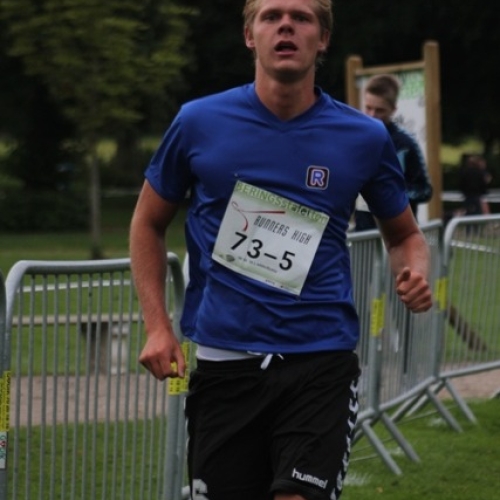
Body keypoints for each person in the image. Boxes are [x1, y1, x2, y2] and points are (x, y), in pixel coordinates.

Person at [129, 1, 433, 499]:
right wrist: (158, 326)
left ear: (323, 38)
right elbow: (147, 222)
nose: (286, 25)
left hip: (320, 358)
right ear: (250, 35)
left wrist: (414, 271)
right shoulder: (198, 121)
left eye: (302, 17)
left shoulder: (363, 136)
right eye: (271, 16)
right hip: (226, 360)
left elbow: (403, 234)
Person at [354, 73, 433, 231]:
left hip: (399, 235)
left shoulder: (405, 144)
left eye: (380, 110)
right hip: (364, 236)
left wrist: (392, 195)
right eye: (368, 108)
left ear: (393, 109)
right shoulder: (355, 139)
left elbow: (425, 190)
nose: (372, 115)